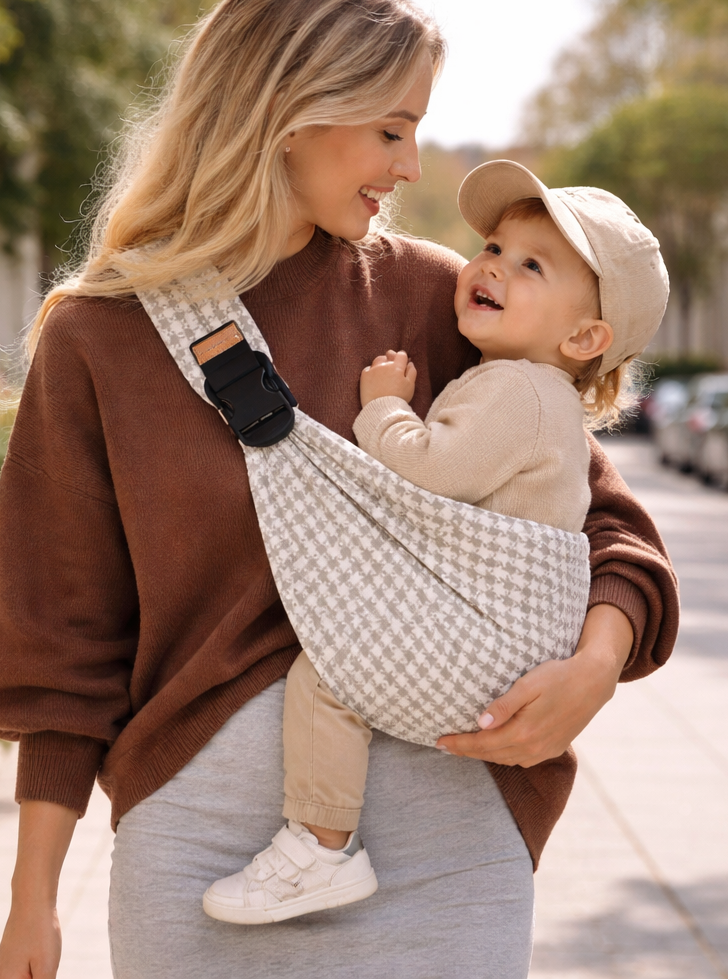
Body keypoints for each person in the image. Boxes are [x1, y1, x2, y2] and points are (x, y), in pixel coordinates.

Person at [0, 0, 680, 977]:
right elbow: (59, 639)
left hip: (446, 846)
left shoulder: (439, 301)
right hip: (200, 854)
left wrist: (594, 670)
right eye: (392, 129)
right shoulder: (104, 336)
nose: (411, 166)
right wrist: (31, 902)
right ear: (288, 113)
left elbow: (609, 527)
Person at [202, 163, 670, 925]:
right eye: (494, 247)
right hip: (508, 654)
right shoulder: (529, 390)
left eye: (531, 266)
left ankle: (321, 846)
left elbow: (431, 472)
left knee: (329, 673)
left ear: (585, 337)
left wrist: (384, 408)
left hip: (486, 646)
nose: (492, 267)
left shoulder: (519, 389)